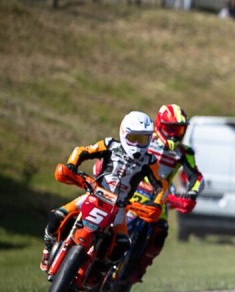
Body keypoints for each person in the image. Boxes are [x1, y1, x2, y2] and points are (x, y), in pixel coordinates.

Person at [41, 112, 162, 271]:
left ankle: (101, 270)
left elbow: (161, 185)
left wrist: (156, 203)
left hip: (119, 208)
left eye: (143, 139)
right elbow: (82, 151)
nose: (138, 145)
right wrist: (72, 166)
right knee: (56, 217)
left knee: (122, 245)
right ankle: (48, 247)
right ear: (123, 132)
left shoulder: (150, 161)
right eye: (134, 138)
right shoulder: (109, 145)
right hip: (94, 195)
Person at [130, 104, 204, 283]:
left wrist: (192, 194)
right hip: (131, 189)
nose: (174, 134)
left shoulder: (185, 152)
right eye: (170, 129)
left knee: (160, 233)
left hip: (161, 197)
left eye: (179, 130)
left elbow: (196, 176)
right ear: (159, 125)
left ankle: (139, 269)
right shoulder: (144, 139)